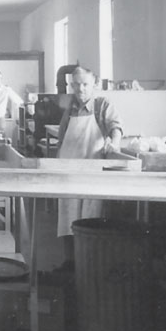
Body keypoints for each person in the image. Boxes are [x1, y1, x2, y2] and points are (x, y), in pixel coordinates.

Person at [56, 65, 124, 257]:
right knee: (67, 219)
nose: (81, 89)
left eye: (85, 84)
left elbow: (115, 126)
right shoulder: (70, 108)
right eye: (76, 84)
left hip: (91, 175)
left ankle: (89, 262)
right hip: (68, 174)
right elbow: (61, 140)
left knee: (89, 220)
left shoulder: (102, 105)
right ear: (71, 85)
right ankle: (70, 263)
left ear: (93, 83)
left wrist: (115, 142)